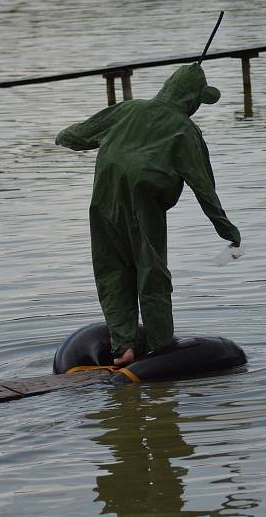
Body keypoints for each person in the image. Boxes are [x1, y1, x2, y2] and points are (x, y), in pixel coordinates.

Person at [56, 63, 241, 367]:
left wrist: (62, 137)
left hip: (104, 203)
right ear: (190, 99)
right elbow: (203, 186)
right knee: (151, 273)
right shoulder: (185, 131)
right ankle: (159, 351)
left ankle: (123, 348)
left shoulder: (126, 110)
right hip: (144, 205)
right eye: (198, 101)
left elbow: (77, 135)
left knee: (112, 270)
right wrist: (227, 230)